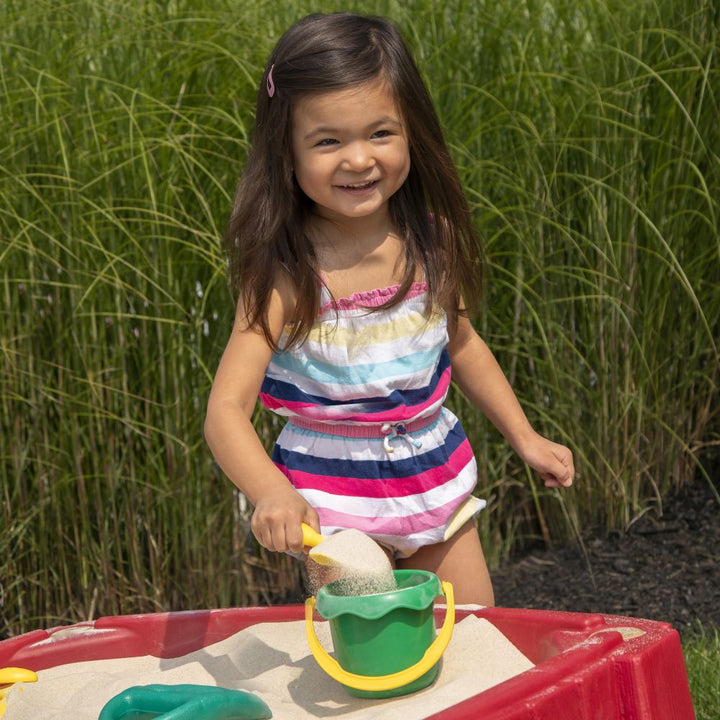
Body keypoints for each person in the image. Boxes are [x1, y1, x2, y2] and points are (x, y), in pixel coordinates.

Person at [204, 12, 574, 606]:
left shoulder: (432, 241)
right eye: (328, 140)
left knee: (475, 627)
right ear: (286, 151)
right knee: (369, 648)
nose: (358, 159)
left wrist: (524, 436)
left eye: (380, 133)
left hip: (434, 482)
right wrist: (270, 491)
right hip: (334, 506)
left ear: (412, 132)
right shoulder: (288, 272)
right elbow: (226, 408)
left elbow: (462, 343)